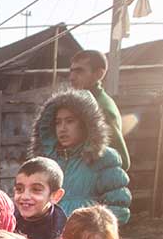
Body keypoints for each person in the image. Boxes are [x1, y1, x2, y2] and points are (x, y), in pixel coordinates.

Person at [30, 89, 131, 225]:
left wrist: (95, 231)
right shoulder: (45, 163)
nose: (62, 128)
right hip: (50, 237)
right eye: (58, 122)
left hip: (87, 237)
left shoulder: (102, 158)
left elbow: (118, 206)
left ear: (85, 123)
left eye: (70, 121)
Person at [69, 50, 129, 171]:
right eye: (71, 71)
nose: (72, 77)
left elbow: (122, 160)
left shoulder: (100, 107)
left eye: (79, 71)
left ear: (98, 74)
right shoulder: (82, 103)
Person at [13, 157, 68, 239]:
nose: (25, 196)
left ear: (56, 196)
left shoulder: (64, 232)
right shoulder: (8, 225)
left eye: (36, 190)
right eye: (19, 189)